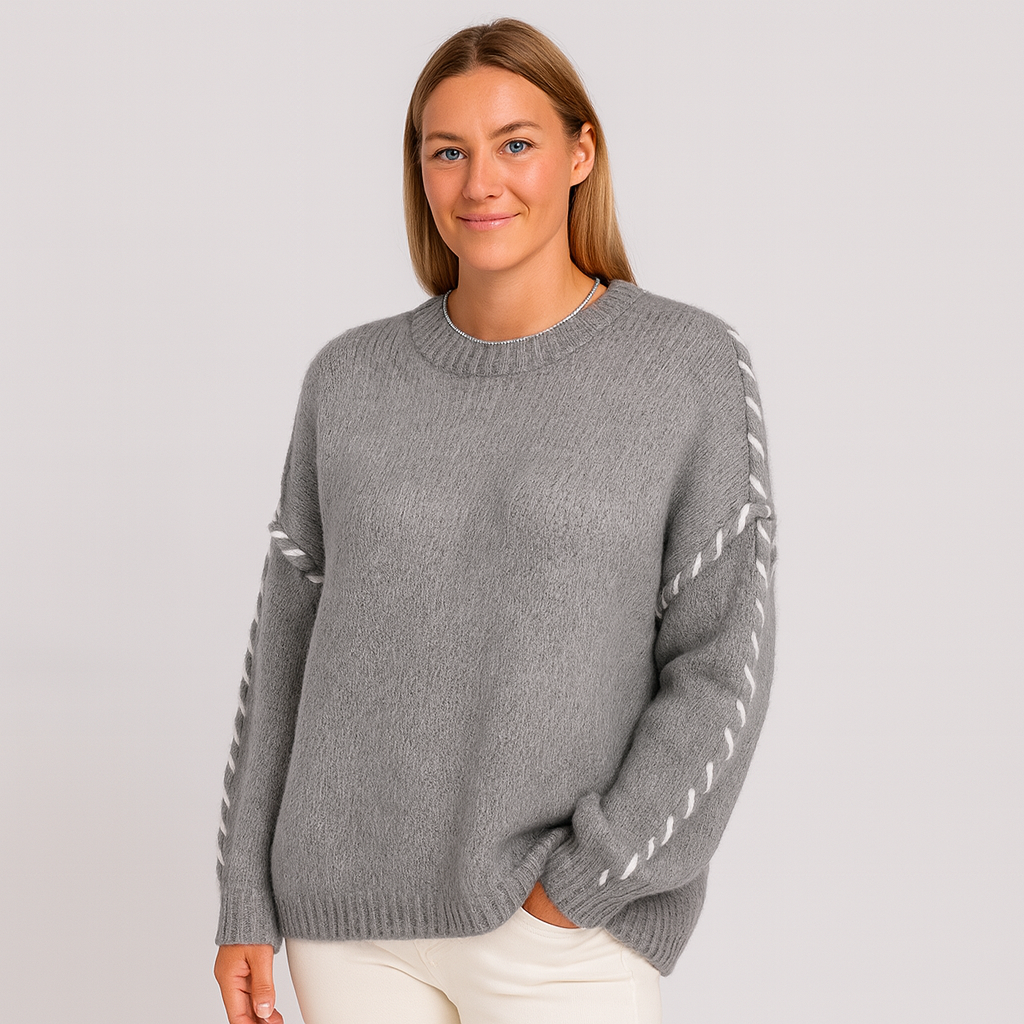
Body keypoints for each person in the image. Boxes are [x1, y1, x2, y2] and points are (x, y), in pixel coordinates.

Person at [213, 16, 779, 1024]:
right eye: (448, 152)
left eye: (515, 143)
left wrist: (587, 883)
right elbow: (287, 648)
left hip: (557, 934)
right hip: (346, 928)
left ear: (579, 152)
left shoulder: (685, 367)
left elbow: (721, 663)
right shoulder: (348, 378)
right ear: (419, 172)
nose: (481, 182)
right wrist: (244, 898)